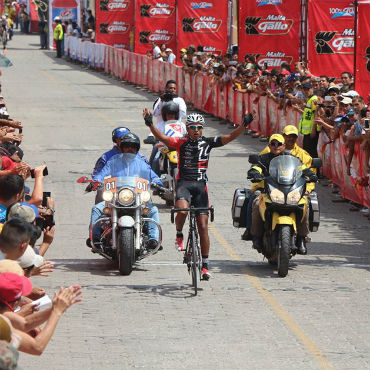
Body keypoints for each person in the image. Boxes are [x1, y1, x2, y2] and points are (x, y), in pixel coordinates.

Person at [143, 109, 254, 280]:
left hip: (201, 186)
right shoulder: (180, 142)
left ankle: (205, 266)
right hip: (184, 185)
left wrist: (244, 125)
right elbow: (164, 139)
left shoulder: (209, 143)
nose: (196, 130)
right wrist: (150, 123)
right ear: (187, 129)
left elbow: (230, 137)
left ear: (202, 129)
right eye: (192, 127)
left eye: (199, 127)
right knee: (182, 211)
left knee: (203, 227)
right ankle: (179, 234)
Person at [90, 133, 163, 249]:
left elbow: (152, 175)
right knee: (97, 209)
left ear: (137, 149)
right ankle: (95, 238)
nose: (130, 149)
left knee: (153, 210)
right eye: (127, 146)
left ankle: (153, 239)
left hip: (137, 198)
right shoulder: (113, 162)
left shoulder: (141, 163)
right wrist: (95, 181)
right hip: (116, 197)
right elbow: (101, 174)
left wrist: (158, 182)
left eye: (133, 146)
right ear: (122, 147)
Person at [242, 125, 314, 241]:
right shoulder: (264, 157)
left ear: (283, 145)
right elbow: (257, 167)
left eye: (279, 144)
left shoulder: (293, 157)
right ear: (269, 145)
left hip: (288, 189)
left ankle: (302, 237)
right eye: (273, 144)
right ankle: (253, 233)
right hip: (267, 189)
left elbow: (303, 169)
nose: (276, 146)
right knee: (255, 201)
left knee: (305, 203)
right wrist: (254, 173)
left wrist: (310, 175)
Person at [149, 101, 187, 176]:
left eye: (173, 114)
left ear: (176, 115)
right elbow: (153, 132)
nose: (171, 116)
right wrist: (150, 137)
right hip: (164, 147)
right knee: (156, 158)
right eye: (168, 114)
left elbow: (187, 134)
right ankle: (154, 177)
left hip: (179, 147)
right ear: (164, 115)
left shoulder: (181, 125)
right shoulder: (160, 124)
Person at [299, 82, 320, 159]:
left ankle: (314, 170)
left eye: (307, 89)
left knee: (311, 154)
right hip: (308, 132)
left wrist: (313, 130)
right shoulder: (309, 99)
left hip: (311, 132)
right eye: (304, 89)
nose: (305, 91)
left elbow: (316, 115)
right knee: (307, 153)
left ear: (312, 89)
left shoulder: (313, 100)